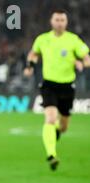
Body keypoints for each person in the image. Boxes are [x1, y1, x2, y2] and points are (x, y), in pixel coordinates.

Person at [24, 9, 90, 170]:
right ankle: (51, 155)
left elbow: (86, 56)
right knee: (50, 118)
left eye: (62, 20)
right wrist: (30, 66)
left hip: (67, 86)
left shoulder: (73, 40)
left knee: (63, 127)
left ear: (66, 23)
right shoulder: (43, 39)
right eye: (57, 20)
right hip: (49, 85)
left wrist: (84, 63)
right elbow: (33, 54)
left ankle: (56, 132)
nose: (59, 23)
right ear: (51, 22)